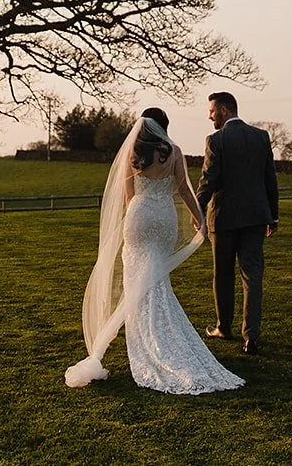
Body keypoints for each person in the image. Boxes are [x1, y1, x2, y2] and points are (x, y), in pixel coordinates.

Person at [64, 108, 244, 394]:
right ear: (164, 127)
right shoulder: (172, 151)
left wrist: (131, 217)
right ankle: (164, 336)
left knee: (136, 282)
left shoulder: (132, 154)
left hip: (139, 217)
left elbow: (128, 196)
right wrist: (199, 219)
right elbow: (184, 189)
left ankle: (149, 341)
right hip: (164, 219)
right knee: (156, 280)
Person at [195, 91, 279, 355]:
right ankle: (251, 335)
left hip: (223, 218)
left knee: (223, 274)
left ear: (223, 110)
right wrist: (273, 215)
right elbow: (269, 178)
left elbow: (209, 179)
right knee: (252, 276)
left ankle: (223, 327)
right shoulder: (260, 136)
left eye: (211, 111)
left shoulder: (216, 140)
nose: (209, 116)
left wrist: (196, 209)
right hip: (256, 216)